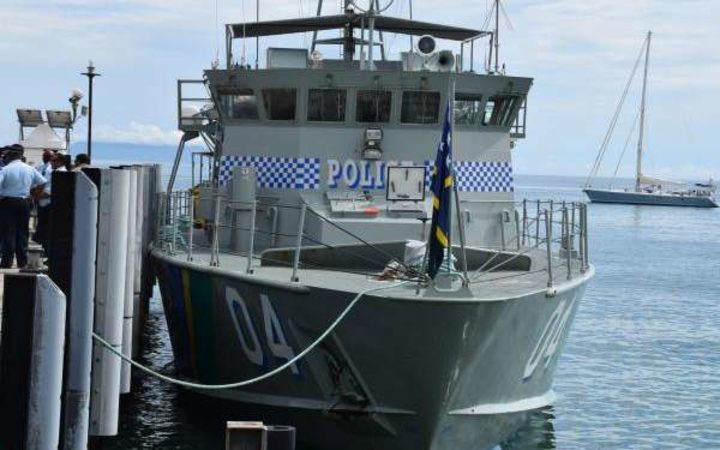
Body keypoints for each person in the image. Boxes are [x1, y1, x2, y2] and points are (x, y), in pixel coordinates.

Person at [0, 148, 46, 268]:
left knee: (8, 232)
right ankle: (22, 261)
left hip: (8, 201)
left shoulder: (5, 169)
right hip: (24, 202)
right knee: (22, 232)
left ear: (9, 158)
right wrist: (34, 194)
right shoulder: (30, 168)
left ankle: (7, 261)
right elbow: (42, 182)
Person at [34, 153, 66, 253]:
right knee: (43, 230)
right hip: (43, 203)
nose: (51, 163)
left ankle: (48, 252)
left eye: (54, 161)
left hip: (49, 204)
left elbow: (50, 191)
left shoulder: (61, 173)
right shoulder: (53, 171)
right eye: (51, 161)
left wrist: (37, 196)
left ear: (60, 162)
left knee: (48, 230)